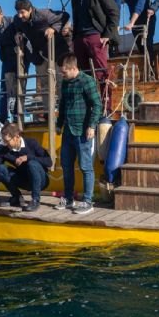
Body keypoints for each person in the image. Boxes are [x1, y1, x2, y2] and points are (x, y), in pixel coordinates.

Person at [55, 53, 102, 215]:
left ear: (74, 68)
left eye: (65, 72)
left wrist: (91, 126)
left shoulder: (87, 81)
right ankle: (68, 198)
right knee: (66, 166)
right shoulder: (65, 83)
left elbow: (97, 105)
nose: (63, 74)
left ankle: (88, 201)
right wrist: (59, 125)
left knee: (85, 166)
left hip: (83, 132)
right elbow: (62, 105)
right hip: (68, 131)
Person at [69, 0, 120, 108]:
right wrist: (74, 40)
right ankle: (89, 105)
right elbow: (76, 18)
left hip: (96, 36)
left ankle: (106, 107)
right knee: (84, 75)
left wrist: (107, 35)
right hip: (80, 38)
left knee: (102, 72)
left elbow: (114, 12)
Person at [13, 0, 70, 120]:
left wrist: (53, 28)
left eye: (22, 12)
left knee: (60, 82)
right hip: (40, 54)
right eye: (18, 12)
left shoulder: (44, 14)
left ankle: (63, 112)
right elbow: (17, 26)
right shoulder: (18, 20)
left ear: (30, 9)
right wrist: (18, 33)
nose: (20, 15)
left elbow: (65, 15)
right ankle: (48, 112)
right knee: (45, 84)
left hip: (56, 51)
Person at [115, 0, 156, 71]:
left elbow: (140, 5)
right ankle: (145, 72)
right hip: (133, 21)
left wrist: (132, 22)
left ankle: (152, 72)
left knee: (147, 44)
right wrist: (114, 24)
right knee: (140, 46)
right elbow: (116, 7)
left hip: (147, 17)